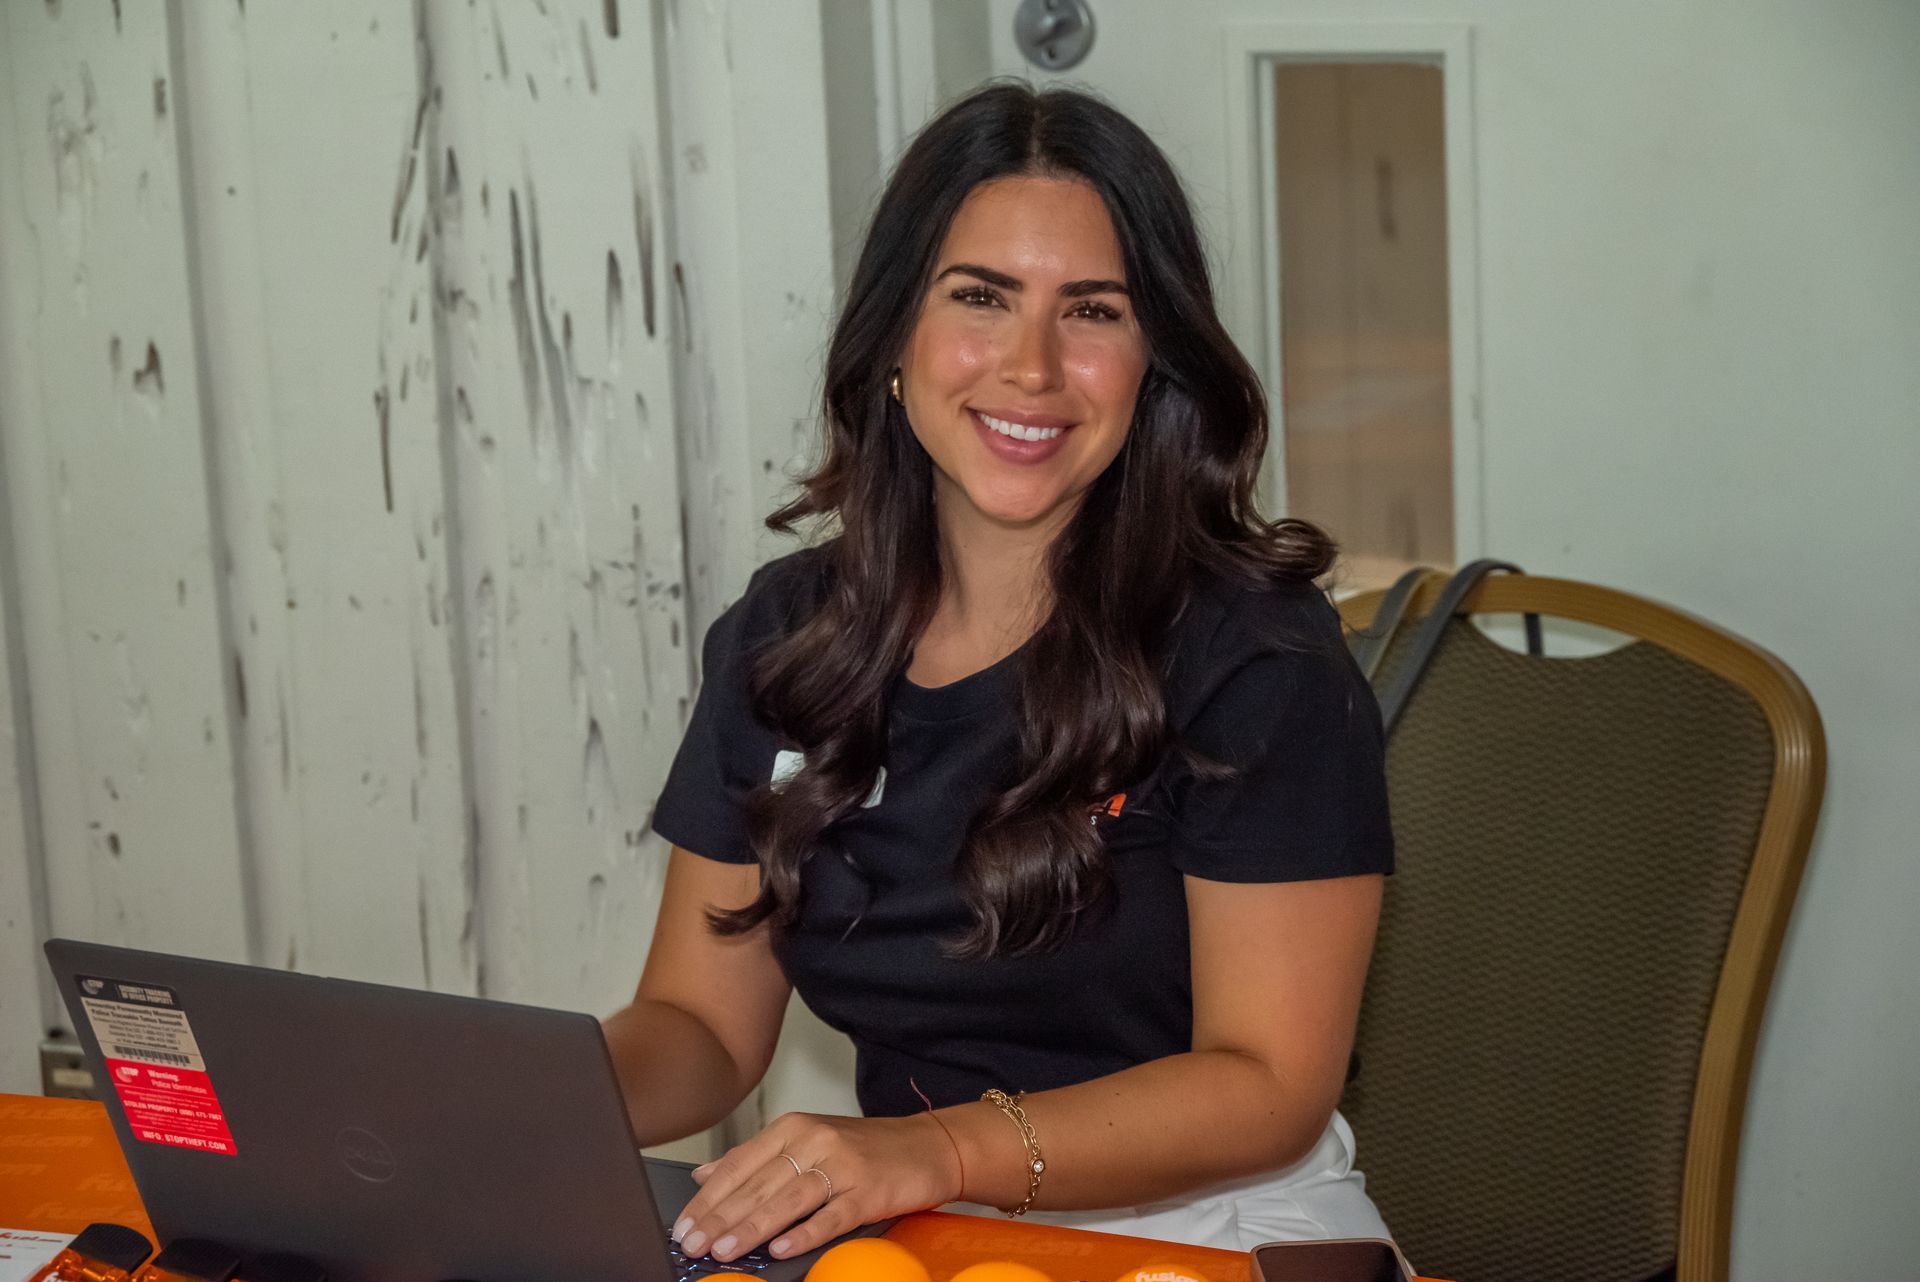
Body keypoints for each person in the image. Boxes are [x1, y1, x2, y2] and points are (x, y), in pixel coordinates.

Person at [601, 80, 1395, 1265]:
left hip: (1214, 1231)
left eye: (1094, 312)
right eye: (980, 297)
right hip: (911, 1229)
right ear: (893, 340)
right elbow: (701, 1027)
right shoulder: (787, 634)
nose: (1032, 367)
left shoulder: (1258, 655)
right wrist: (515, 1100)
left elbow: (1269, 1082)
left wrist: (934, 1149)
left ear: (1155, 362)